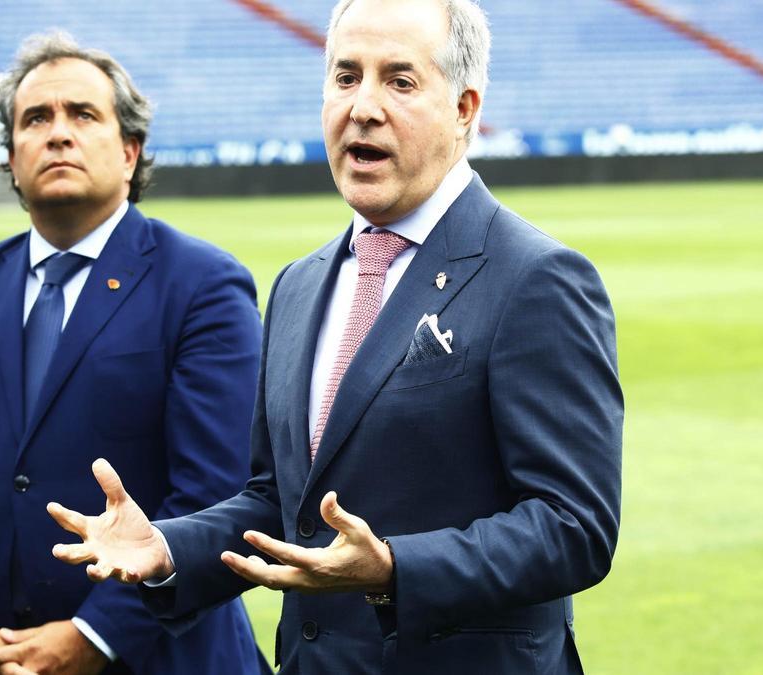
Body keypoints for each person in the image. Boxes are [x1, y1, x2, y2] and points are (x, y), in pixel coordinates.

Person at [48, 0, 623, 672]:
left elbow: (573, 524)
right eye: (346, 77)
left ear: (465, 109)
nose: (364, 107)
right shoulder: (298, 284)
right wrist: (169, 548)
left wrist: (392, 567)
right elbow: (275, 499)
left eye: (400, 81)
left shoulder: (535, 277)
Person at [0, 32, 268, 675]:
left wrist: (93, 634)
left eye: (83, 115)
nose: (58, 133)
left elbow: (216, 491)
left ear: (130, 151)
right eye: (36, 119)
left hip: (156, 658)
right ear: (11, 158)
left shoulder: (202, 286)